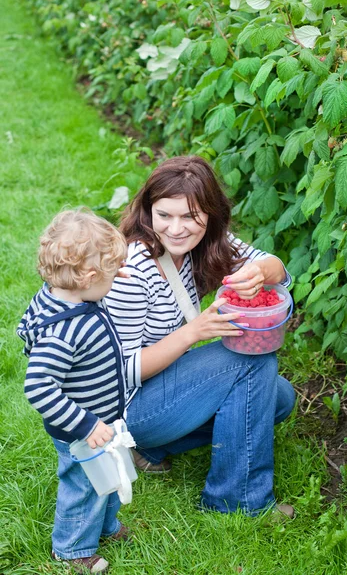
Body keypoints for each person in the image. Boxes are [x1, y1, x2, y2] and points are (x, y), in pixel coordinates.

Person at [106, 156, 296, 518]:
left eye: (190, 216)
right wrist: (194, 332)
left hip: (162, 389)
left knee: (279, 397)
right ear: (148, 213)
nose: (176, 229)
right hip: (126, 410)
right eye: (164, 215)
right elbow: (119, 372)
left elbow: (277, 269)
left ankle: (152, 451)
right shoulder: (131, 272)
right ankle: (236, 499)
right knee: (251, 360)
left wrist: (259, 271)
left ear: (209, 214)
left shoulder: (206, 244)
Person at [17, 209, 132, 574]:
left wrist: (106, 279)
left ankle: (106, 527)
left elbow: (87, 286)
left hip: (103, 421)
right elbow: (37, 386)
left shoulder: (67, 295)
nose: (115, 279)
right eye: (111, 273)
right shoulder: (63, 330)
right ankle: (72, 550)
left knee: (109, 475)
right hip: (82, 430)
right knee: (84, 486)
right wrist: (85, 425)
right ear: (89, 277)